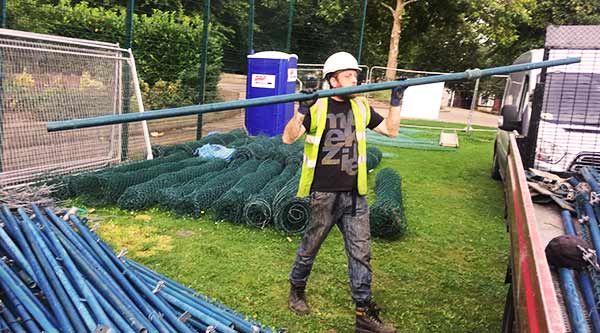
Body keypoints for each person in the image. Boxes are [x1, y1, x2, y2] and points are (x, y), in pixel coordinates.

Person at [282, 51, 405, 333]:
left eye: (356, 75)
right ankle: (296, 290)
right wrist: (301, 111)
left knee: (361, 253)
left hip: (354, 195)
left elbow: (391, 130)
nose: (355, 79)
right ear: (333, 81)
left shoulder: (361, 107)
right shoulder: (318, 107)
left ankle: (363, 314)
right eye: (349, 75)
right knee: (309, 248)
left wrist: (397, 100)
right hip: (324, 194)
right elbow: (288, 138)